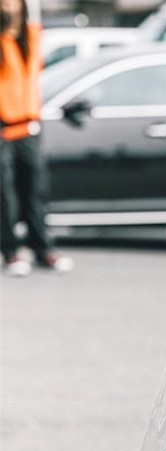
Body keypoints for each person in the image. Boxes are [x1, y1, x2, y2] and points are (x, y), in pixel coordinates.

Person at [0, 0, 73, 276]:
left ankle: (42, 249)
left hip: (29, 127)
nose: (9, 7)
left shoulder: (31, 38)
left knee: (35, 191)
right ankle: (11, 252)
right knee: (5, 196)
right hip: (3, 127)